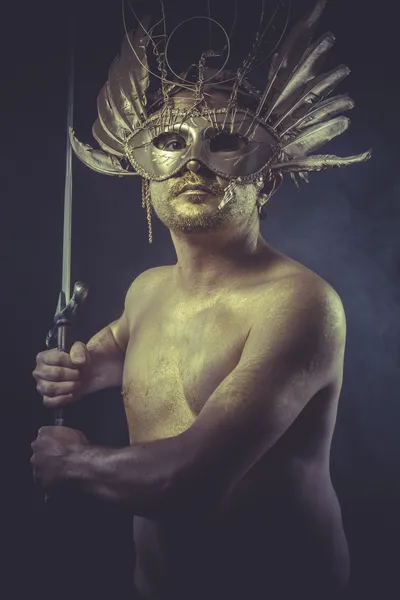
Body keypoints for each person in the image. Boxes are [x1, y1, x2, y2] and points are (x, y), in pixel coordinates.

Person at [31, 2, 371, 598]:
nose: (193, 162)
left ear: (264, 177)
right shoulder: (147, 291)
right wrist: (71, 373)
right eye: (169, 142)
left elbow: (189, 480)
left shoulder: (300, 306)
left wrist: (74, 463)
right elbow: (104, 361)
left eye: (224, 141)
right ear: (146, 178)